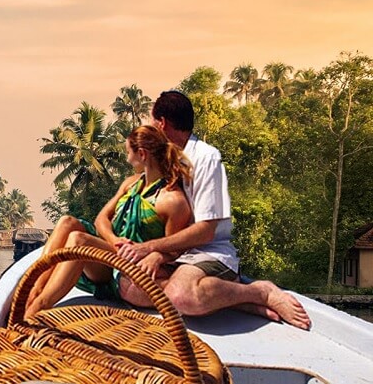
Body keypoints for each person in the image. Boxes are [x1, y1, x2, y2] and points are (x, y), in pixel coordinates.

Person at [114, 90, 311, 330]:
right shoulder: (169, 158)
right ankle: (237, 301)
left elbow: (206, 232)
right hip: (177, 252)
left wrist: (151, 248)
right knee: (130, 288)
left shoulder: (206, 158)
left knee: (180, 297)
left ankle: (259, 292)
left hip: (207, 252)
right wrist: (159, 254)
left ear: (162, 123)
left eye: (154, 121)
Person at [24, 124, 193, 319]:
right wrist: (114, 240)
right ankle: (33, 289)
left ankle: (40, 306)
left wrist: (155, 255)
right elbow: (101, 219)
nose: (127, 159)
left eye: (128, 152)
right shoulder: (131, 184)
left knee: (79, 240)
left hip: (128, 266)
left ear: (142, 154)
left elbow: (174, 248)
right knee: (67, 222)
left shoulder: (172, 201)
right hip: (113, 251)